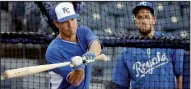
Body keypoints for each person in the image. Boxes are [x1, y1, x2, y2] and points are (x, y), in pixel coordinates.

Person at [112, 2, 184, 89]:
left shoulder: (170, 42)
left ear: (154, 20)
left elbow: (180, 75)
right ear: (135, 21)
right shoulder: (127, 52)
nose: (143, 21)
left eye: (147, 17)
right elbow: (121, 85)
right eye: (139, 17)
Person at [45, 2, 102, 89]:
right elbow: (75, 81)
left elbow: (96, 44)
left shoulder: (83, 31)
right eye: (65, 22)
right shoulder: (53, 50)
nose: (70, 25)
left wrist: (91, 53)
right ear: (56, 24)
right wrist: (78, 68)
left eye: (72, 19)